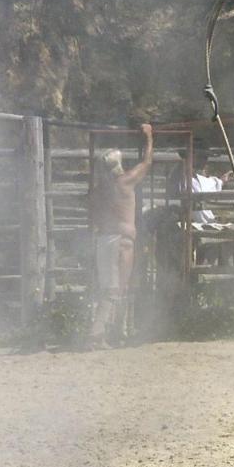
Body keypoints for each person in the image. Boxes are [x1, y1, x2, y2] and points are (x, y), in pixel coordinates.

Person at [87, 124, 153, 347]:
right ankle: (98, 334)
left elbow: (95, 217)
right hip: (120, 241)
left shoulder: (97, 190)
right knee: (116, 288)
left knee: (109, 286)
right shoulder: (124, 183)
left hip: (104, 239)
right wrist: (149, 137)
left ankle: (112, 332)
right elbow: (146, 163)